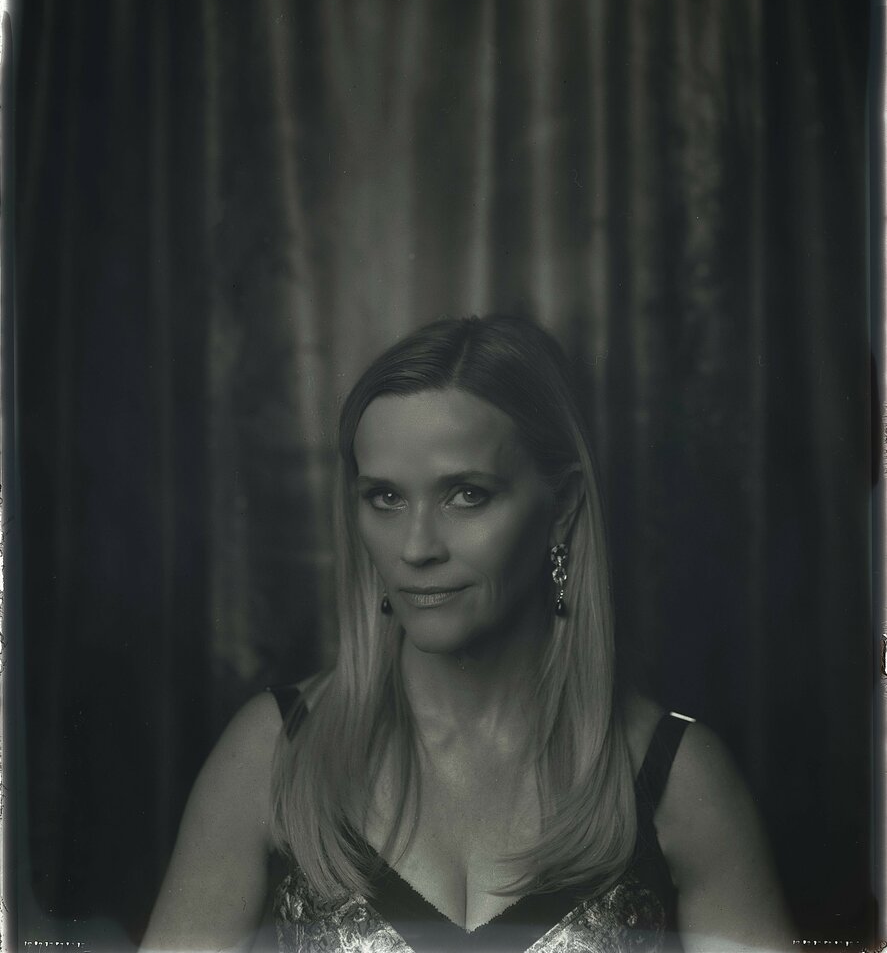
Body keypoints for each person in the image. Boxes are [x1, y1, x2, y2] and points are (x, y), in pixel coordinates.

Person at [142, 315, 792, 953]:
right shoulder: (275, 752)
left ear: (562, 507)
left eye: (466, 495)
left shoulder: (677, 776)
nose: (416, 547)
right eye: (386, 498)